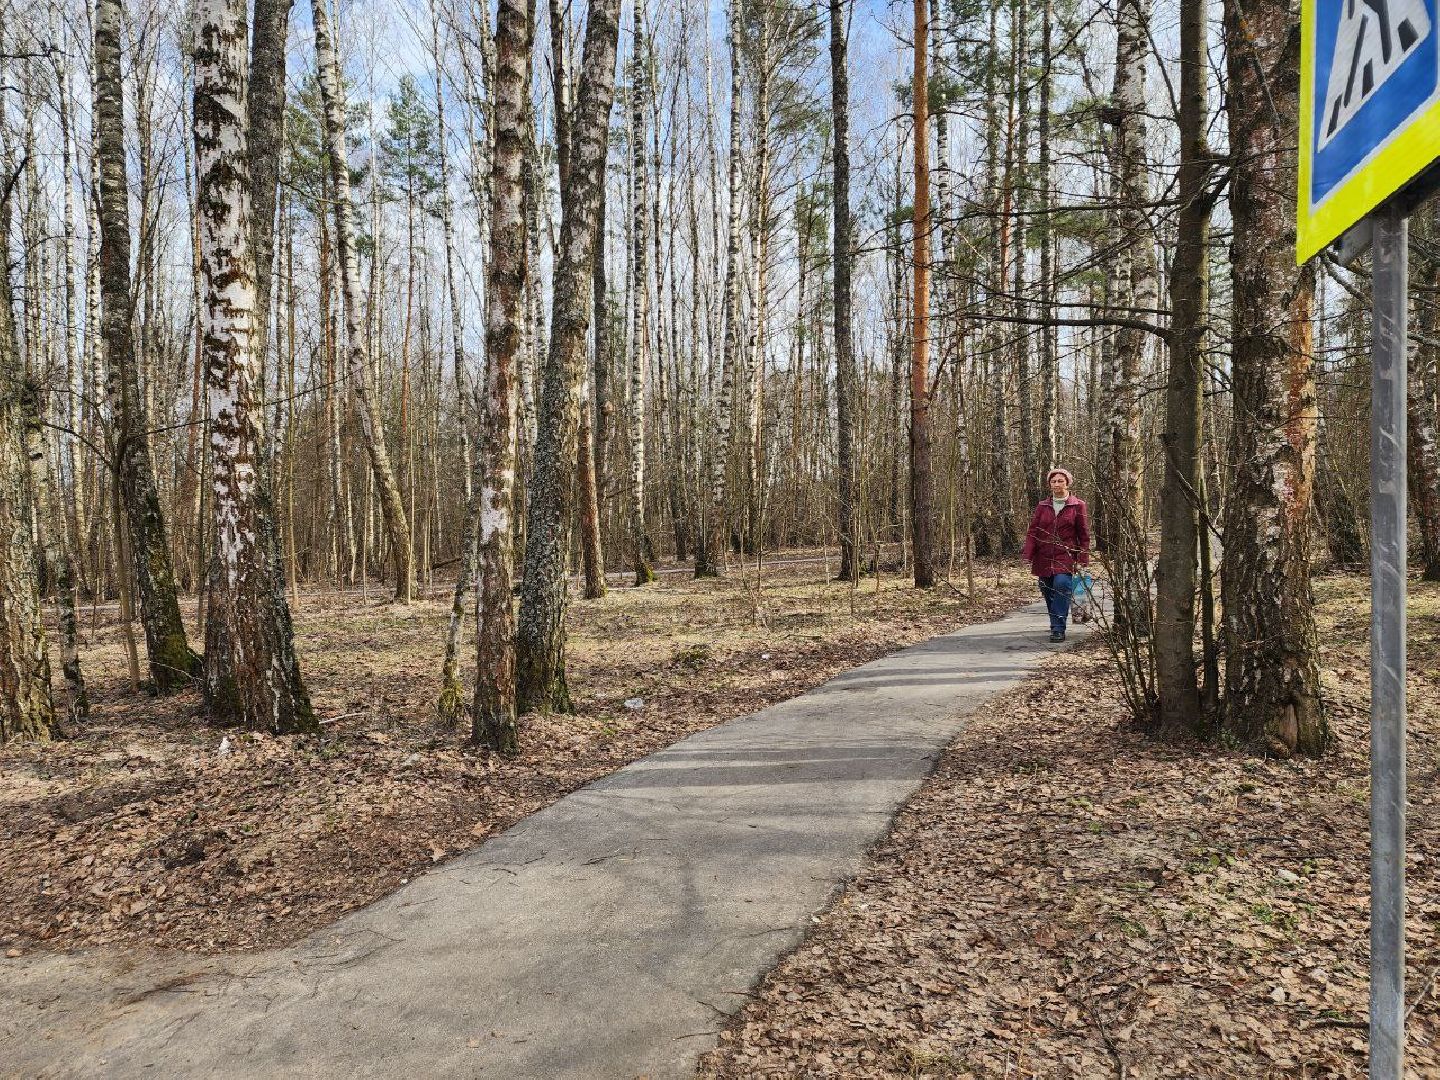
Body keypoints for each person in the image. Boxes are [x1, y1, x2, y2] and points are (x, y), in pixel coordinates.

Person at [1020, 467, 1091, 643]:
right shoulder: (1043, 506)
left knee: (1061, 585)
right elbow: (1033, 531)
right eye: (1053, 481)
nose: (1057, 484)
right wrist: (1027, 554)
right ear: (1049, 484)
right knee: (1046, 587)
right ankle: (1056, 621)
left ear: (1067, 483)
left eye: (1060, 481)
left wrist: (1083, 557)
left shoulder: (1077, 505)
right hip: (1043, 555)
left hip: (1065, 555)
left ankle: (1058, 628)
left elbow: (1084, 534)